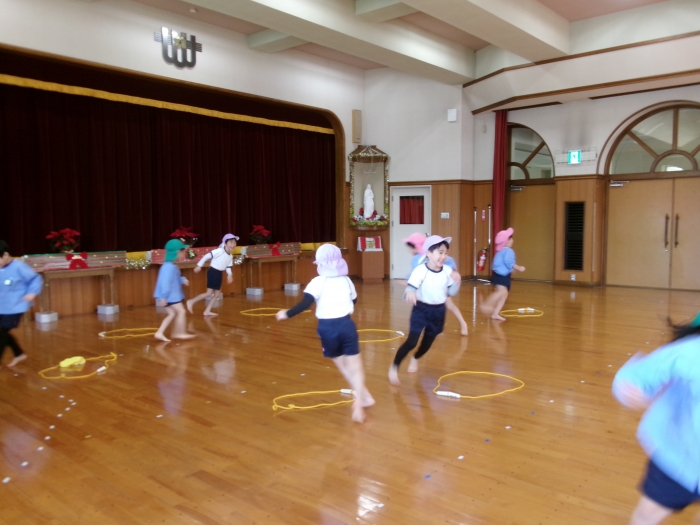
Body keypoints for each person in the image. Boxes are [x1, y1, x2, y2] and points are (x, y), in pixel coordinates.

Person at [613, 314, 700, 524]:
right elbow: (638, 374)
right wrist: (630, 388)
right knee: (648, 513)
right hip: (680, 460)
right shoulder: (690, 352)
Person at [276, 244, 374, 423]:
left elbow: (306, 303)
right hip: (347, 325)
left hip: (327, 329)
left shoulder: (317, 282)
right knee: (356, 366)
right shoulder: (346, 280)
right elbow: (354, 300)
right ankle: (363, 398)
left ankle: (364, 397)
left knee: (344, 366)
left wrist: (287, 314)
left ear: (320, 264)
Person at [389, 235, 461, 385]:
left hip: (439, 311)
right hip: (421, 309)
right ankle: (395, 366)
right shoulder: (420, 270)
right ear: (428, 253)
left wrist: (457, 281)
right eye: (440, 252)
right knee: (412, 341)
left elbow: (451, 292)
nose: (443, 256)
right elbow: (412, 286)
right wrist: (410, 292)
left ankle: (415, 358)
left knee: (427, 344)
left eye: (446, 253)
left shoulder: (447, 270)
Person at [404, 232, 468, 336]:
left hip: (438, 288)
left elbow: (415, 276)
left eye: (410, 247)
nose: (409, 250)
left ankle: (451, 324)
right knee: (447, 305)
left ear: (415, 247)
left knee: (442, 305)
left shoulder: (419, 259)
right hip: (435, 289)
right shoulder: (425, 258)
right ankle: (459, 323)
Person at [0, 240, 42, 368]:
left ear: (5, 255)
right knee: (2, 332)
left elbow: (35, 278)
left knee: (1, 333)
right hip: (2, 306)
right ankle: (18, 353)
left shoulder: (19, 266)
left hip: (16, 306)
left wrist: (32, 292)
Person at [187, 233, 238, 317]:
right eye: (231, 242)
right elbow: (206, 256)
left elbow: (228, 267)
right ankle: (191, 301)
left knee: (217, 294)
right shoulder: (219, 251)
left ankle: (207, 311)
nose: (233, 244)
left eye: (234, 242)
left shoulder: (230, 256)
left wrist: (230, 275)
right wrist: (199, 265)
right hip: (213, 272)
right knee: (209, 293)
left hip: (219, 273)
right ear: (225, 243)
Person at [479, 228, 525, 321]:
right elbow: (509, 262)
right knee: (501, 292)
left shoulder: (500, 251)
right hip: (502, 276)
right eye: (511, 238)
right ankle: (486, 304)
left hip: (498, 275)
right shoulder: (508, 251)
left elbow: (499, 263)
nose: (512, 240)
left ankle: (495, 313)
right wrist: (518, 267)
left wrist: (511, 269)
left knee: (504, 293)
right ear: (507, 241)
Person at [154, 239, 195, 342]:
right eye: (182, 251)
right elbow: (165, 283)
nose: (183, 253)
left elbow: (176, 278)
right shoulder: (168, 267)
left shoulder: (171, 266)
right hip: (170, 296)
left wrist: (183, 280)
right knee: (181, 311)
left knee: (172, 314)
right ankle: (179, 333)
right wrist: (163, 296)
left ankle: (159, 332)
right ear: (177, 252)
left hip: (168, 296)